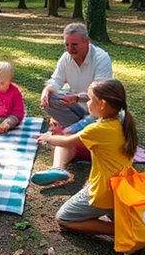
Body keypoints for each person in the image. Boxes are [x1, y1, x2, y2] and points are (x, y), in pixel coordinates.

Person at [35, 79, 138, 239]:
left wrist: (47, 138)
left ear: (102, 104)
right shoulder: (122, 119)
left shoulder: (97, 129)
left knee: (63, 218)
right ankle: (117, 216)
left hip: (104, 190)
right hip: (122, 187)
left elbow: (67, 141)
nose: (88, 103)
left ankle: (121, 230)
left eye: (90, 99)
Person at [39, 23, 113, 167]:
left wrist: (79, 97)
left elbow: (100, 92)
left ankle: (74, 132)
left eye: (74, 44)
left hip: (98, 111)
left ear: (87, 41)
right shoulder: (66, 58)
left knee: (76, 129)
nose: (69, 49)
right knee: (50, 99)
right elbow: (57, 80)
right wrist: (47, 90)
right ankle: (79, 129)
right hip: (77, 107)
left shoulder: (101, 58)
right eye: (66, 44)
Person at [0, 62, 25, 133]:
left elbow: (19, 110)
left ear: (10, 81)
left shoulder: (15, 91)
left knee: (12, 120)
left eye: (2, 83)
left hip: (10, 115)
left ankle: (4, 126)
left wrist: (13, 116)